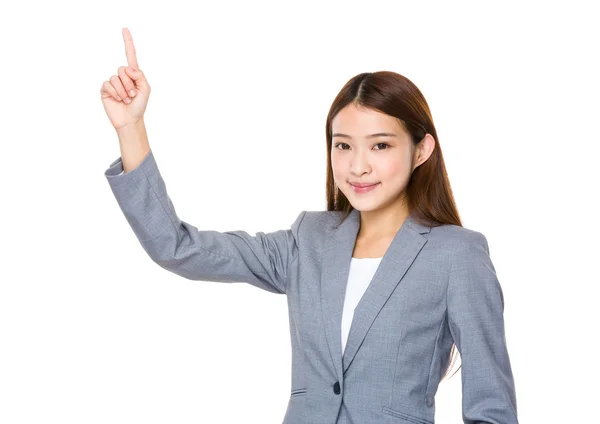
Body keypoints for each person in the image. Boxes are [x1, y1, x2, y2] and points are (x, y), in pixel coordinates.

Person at [101, 27, 518, 424]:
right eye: (343, 145)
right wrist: (130, 127)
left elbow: (492, 408)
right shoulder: (309, 240)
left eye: (381, 145)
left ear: (422, 149)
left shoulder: (456, 254)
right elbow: (177, 247)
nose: (358, 166)